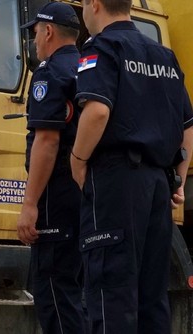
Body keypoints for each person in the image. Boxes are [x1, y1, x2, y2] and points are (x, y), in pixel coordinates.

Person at [70, 0, 193, 332]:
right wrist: (178, 181)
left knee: (112, 294)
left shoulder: (101, 47)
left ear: (95, 4)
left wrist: (78, 160)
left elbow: (97, 111)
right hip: (157, 185)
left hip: (116, 182)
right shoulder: (164, 56)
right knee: (152, 299)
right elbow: (188, 128)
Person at [17, 3, 87, 333]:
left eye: (34, 35)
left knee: (55, 292)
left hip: (56, 194)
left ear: (47, 31)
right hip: (90, 192)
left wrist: (30, 205)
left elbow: (47, 141)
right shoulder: (90, 67)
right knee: (82, 292)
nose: (34, 42)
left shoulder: (49, 72)